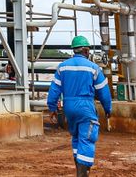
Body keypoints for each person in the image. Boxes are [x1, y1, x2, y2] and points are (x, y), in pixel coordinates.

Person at [47, 35, 112, 176]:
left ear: (74, 51)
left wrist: (52, 108)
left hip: (69, 107)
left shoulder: (62, 67)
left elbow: (54, 90)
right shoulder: (94, 68)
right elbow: (104, 92)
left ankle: (79, 170)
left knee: (76, 137)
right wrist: (108, 109)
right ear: (87, 51)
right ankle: (82, 174)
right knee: (87, 139)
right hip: (85, 107)